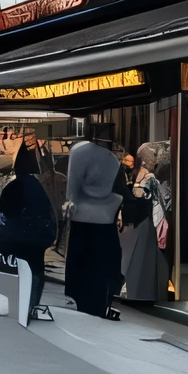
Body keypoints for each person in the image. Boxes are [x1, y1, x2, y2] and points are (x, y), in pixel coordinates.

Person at [63, 135, 124, 318]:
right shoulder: (113, 198)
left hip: (86, 235)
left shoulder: (79, 205)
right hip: (99, 238)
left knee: (85, 281)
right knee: (96, 280)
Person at [0, 143, 57, 319]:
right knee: (37, 270)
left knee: (15, 268)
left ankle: (14, 302)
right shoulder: (40, 187)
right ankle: (32, 306)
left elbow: (5, 212)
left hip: (16, 236)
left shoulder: (12, 187)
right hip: (37, 237)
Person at [120, 147, 169, 304]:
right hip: (142, 220)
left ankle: (131, 289)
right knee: (139, 255)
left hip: (138, 221)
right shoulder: (146, 177)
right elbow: (158, 201)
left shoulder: (139, 176)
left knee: (134, 255)